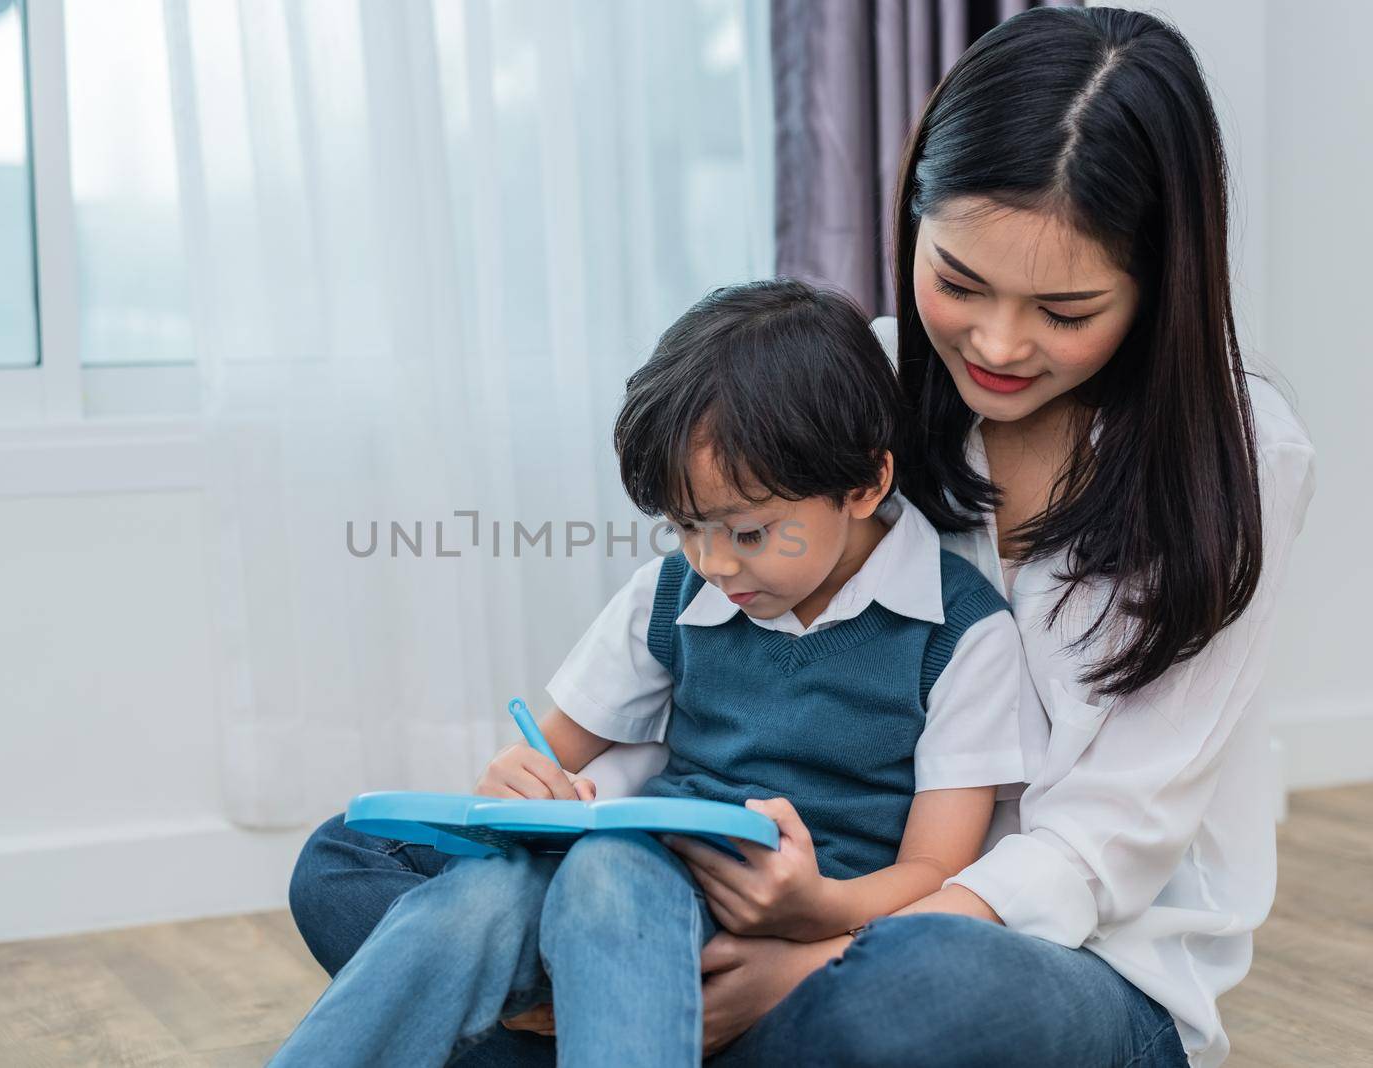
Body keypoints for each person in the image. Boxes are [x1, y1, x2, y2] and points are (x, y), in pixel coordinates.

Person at [284, 7, 1317, 1067]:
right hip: (748, 903)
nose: (998, 344)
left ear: (1158, 287)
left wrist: (817, 951)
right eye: (957, 282)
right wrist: (602, 833)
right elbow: (712, 670)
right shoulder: (860, 384)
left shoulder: (1236, 462)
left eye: (1063, 310)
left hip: (1046, 960)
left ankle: (654, 1022)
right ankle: (655, 1013)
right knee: (348, 865)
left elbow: (1104, 847)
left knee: (899, 1004)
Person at [267, 279, 1032, 1067]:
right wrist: (517, 781)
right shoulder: (676, 593)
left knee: (595, 881)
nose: (713, 561)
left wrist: (820, 909)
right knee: (431, 887)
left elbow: (938, 872)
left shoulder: (961, 632)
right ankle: (607, 1018)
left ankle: (565, 1026)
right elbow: (550, 754)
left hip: (786, 937)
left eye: (748, 530)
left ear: (865, 484)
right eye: (686, 528)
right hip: (635, 876)